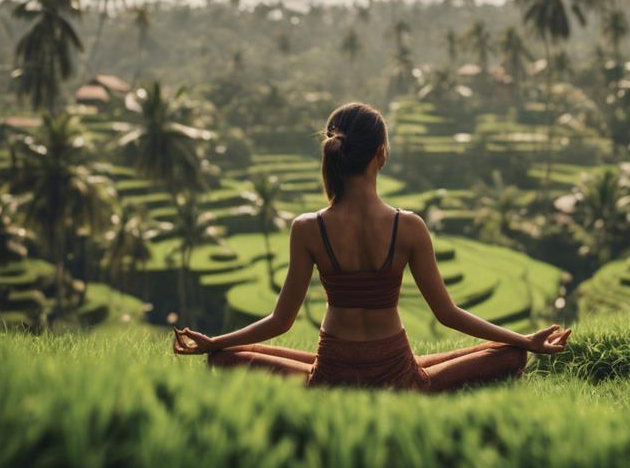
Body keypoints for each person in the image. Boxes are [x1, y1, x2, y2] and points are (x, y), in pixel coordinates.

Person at [173, 102, 570, 391]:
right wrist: (524, 340)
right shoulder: (408, 226)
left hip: (331, 372)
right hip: (398, 374)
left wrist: (217, 342)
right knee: (510, 356)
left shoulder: (308, 227)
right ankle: (491, 354)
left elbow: (281, 321)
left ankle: (241, 358)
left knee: (224, 358)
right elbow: (447, 314)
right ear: (381, 154)